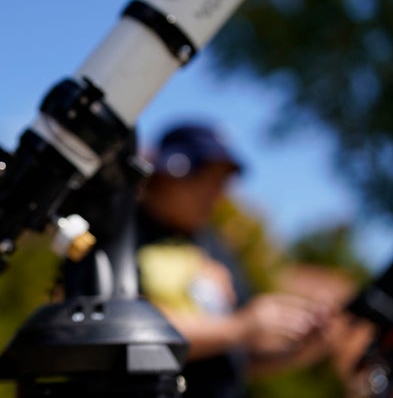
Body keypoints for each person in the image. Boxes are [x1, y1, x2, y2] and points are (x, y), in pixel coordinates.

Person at [136, 121, 331, 397]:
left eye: (222, 183)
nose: (217, 195)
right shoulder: (123, 236)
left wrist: (301, 348)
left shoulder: (211, 244)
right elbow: (130, 330)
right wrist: (241, 327)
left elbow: (241, 356)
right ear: (174, 172)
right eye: (209, 180)